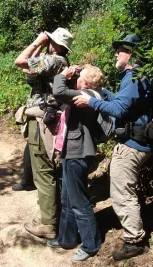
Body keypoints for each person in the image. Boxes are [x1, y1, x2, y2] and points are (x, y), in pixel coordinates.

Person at [73, 34, 153, 260]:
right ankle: (134, 233)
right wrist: (104, 91)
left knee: (121, 193)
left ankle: (134, 241)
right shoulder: (135, 76)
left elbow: (118, 111)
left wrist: (91, 101)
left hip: (132, 145)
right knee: (123, 190)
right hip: (137, 141)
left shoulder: (134, 77)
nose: (116, 54)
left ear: (131, 53)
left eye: (120, 50)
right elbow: (122, 102)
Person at [14, 28, 73, 239]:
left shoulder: (55, 61)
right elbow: (27, 70)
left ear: (56, 44)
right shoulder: (57, 62)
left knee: (43, 171)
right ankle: (50, 216)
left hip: (42, 122)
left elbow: (19, 62)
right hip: (43, 119)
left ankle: (48, 223)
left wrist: (37, 42)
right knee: (45, 170)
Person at [46, 64, 104, 262]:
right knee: (68, 198)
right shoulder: (89, 92)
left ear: (86, 82)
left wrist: (63, 74)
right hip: (72, 150)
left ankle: (91, 245)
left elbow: (59, 90)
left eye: (80, 77)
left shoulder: (85, 96)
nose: (76, 78)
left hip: (78, 152)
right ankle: (67, 238)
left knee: (79, 201)